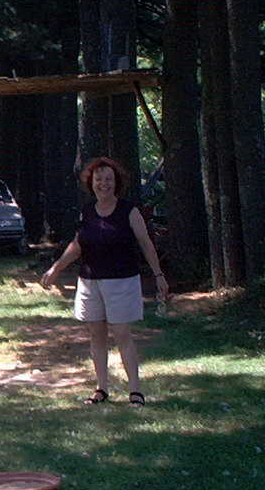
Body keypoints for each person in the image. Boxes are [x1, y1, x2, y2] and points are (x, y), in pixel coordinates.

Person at [39, 157, 168, 406]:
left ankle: (135, 392)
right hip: (90, 282)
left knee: (122, 334)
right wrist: (56, 268)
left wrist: (159, 275)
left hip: (122, 282)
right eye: (98, 179)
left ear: (116, 182)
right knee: (96, 335)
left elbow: (145, 244)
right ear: (91, 183)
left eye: (108, 179)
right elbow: (78, 245)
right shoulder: (87, 211)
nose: (103, 184)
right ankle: (101, 389)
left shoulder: (129, 211)